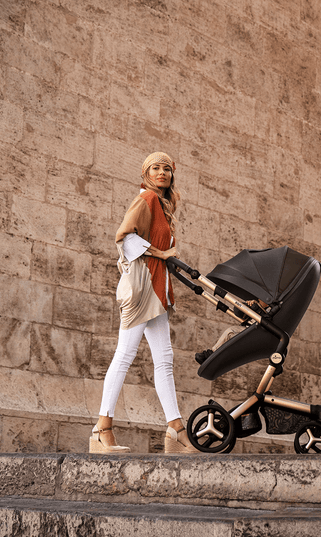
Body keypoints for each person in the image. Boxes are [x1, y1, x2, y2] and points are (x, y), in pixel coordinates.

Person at [89, 152, 197, 454]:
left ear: (172, 174)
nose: (161, 172)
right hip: (141, 286)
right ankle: (102, 429)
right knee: (125, 353)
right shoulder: (147, 199)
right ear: (145, 173)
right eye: (155, 168)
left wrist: (167, 256)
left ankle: (175, 429)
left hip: (157, 289)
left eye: (166, 168)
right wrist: (162, 254)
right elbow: (124, 237)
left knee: (165, 359)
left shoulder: (164, 206)